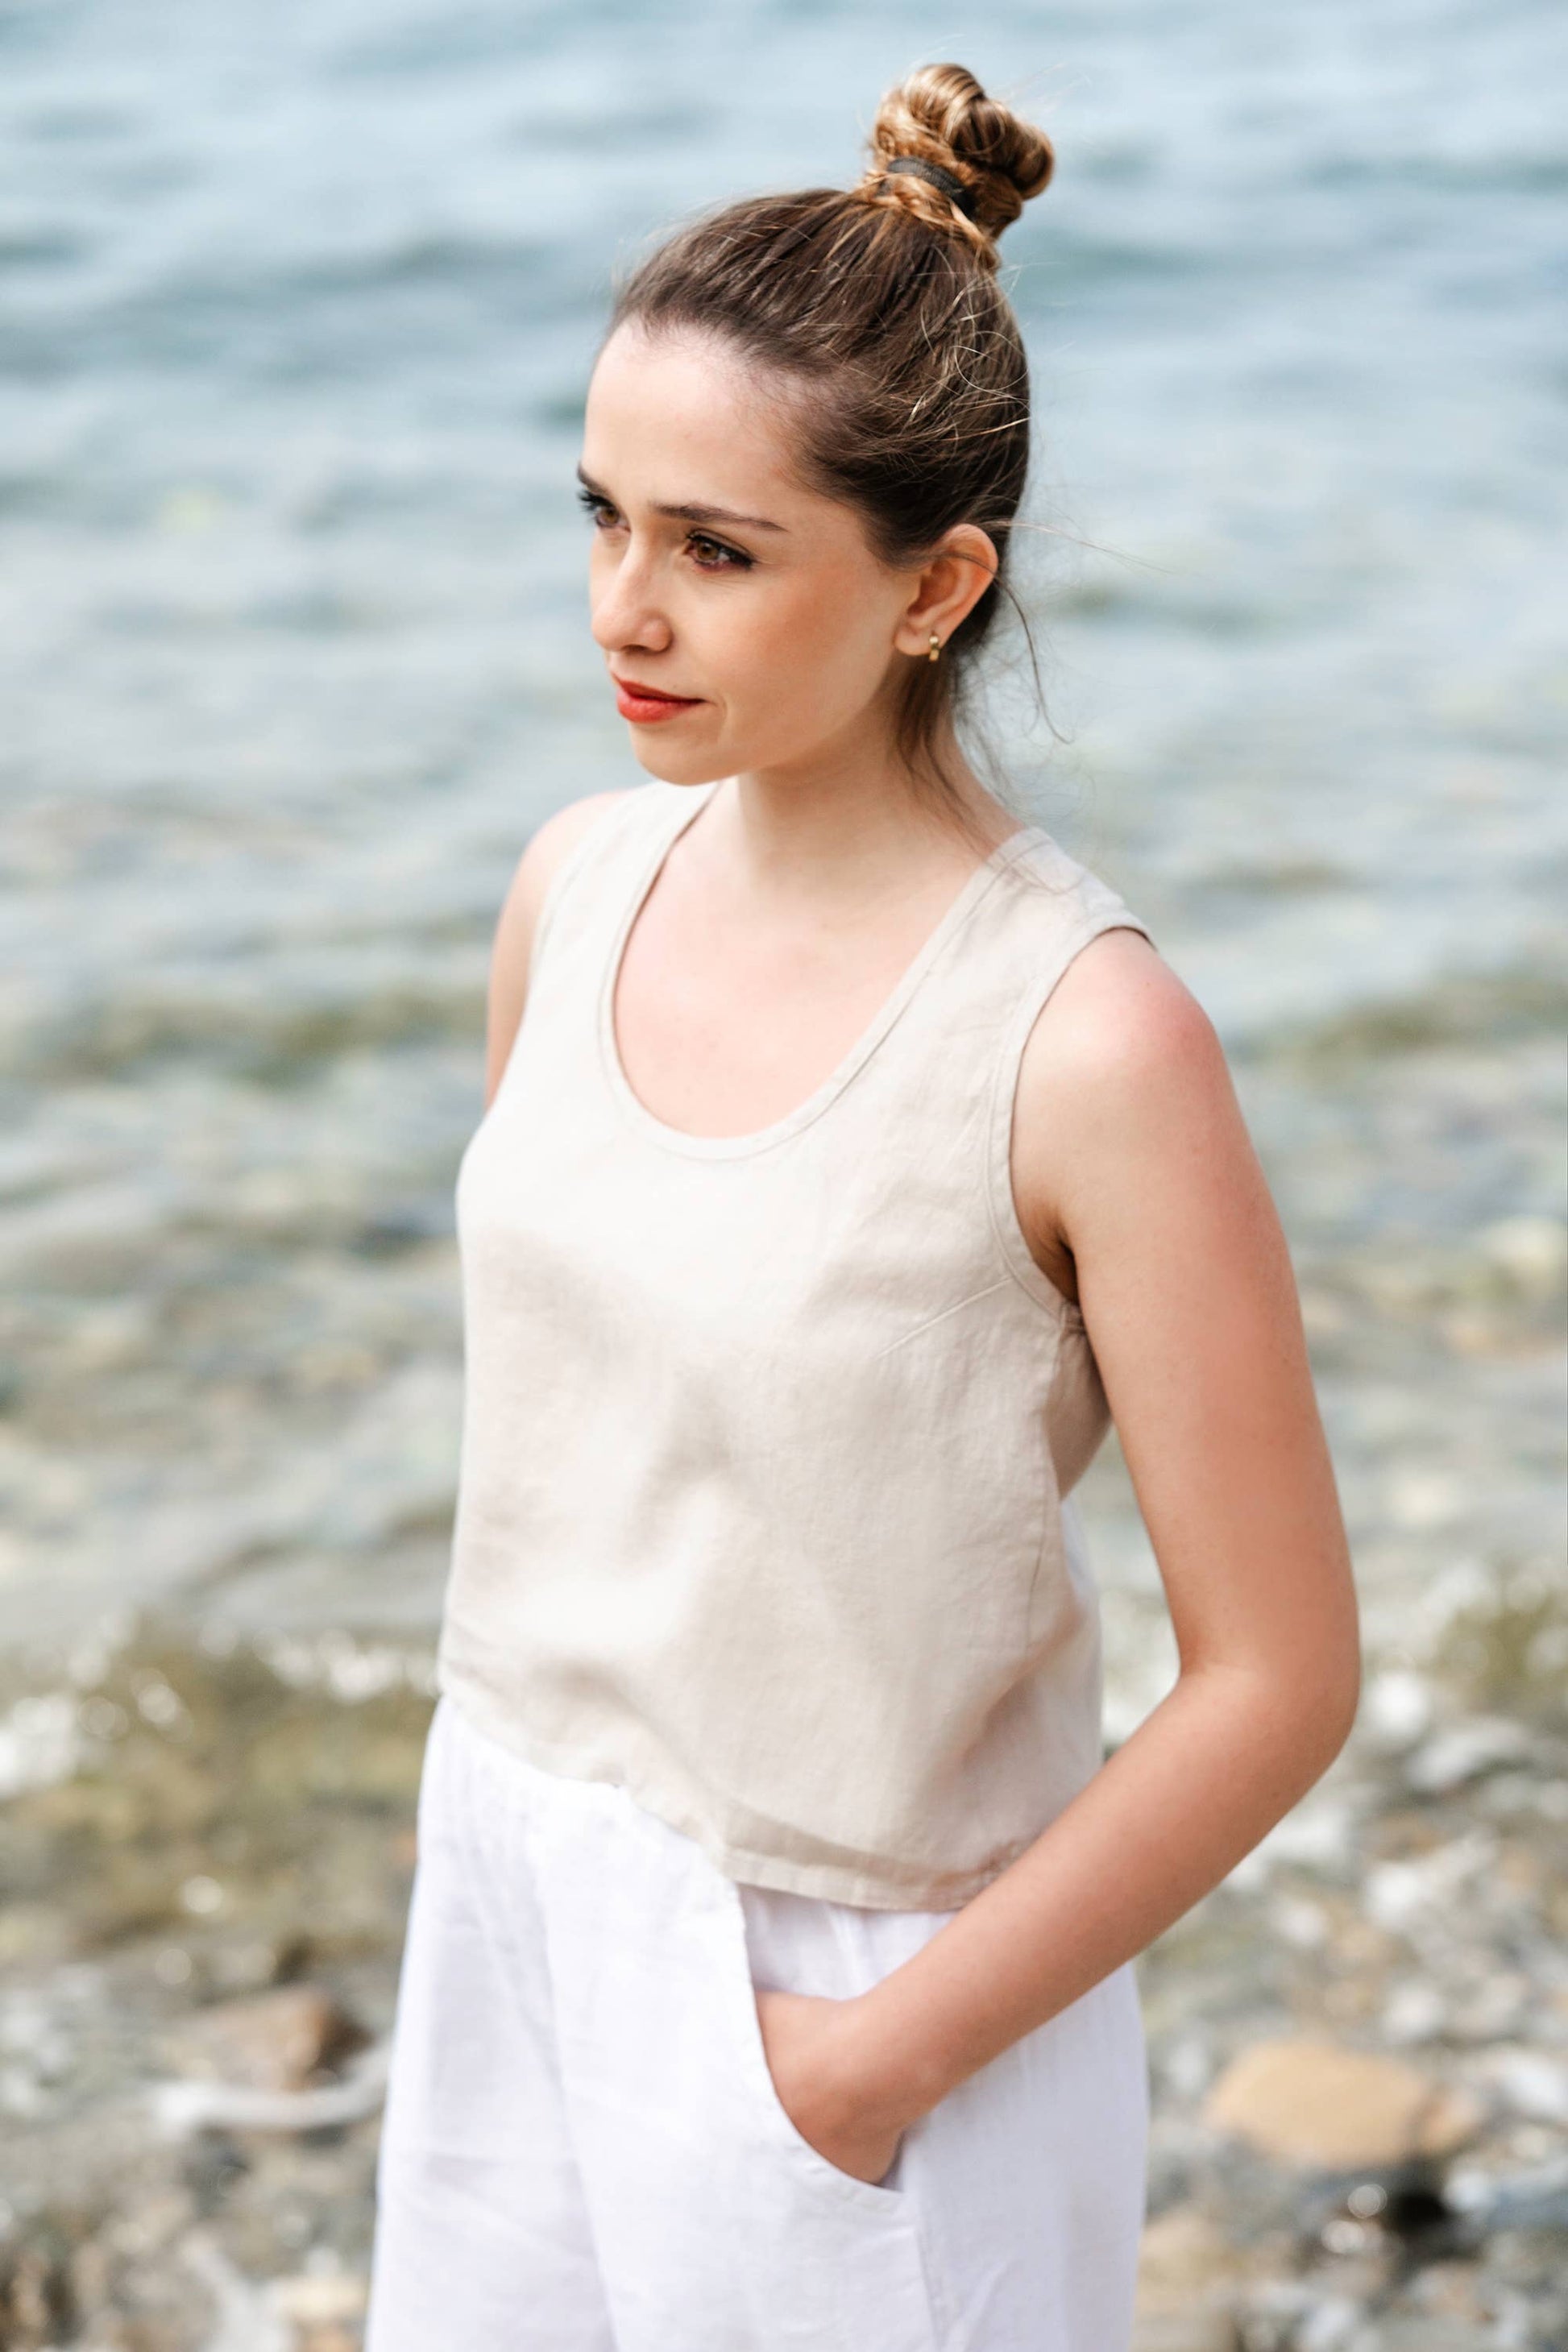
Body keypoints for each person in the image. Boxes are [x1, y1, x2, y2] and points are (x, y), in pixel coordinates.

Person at [363, 60, 1360, 2352]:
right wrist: (503, 1859)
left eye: (715, 551)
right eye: (602, 516)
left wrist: (864, 2064)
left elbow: (1281, 1677)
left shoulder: (1086, 1042)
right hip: (511, 1873)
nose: (625, 609)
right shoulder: (572, 888)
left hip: (857, 1989)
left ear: (938, 583)